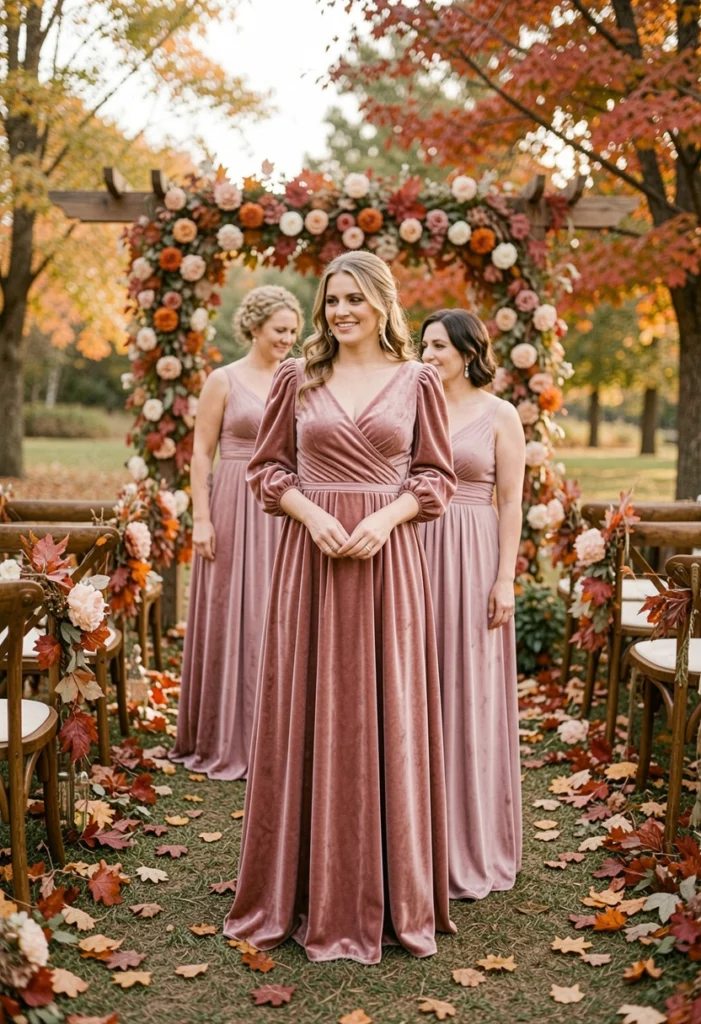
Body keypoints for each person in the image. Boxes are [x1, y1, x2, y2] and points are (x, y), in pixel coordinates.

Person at [224, 251, 457, 964]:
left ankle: (393, 890)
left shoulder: (418, 380)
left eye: (354, 298)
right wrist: (307, 513)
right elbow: (267, 469)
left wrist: (383, 521)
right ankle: (295, 888)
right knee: (306, 706)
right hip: (310, 563)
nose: (341, 311)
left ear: (382, 302)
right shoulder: (298, 377)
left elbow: (435, 477)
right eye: (331, 301)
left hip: (389, 567)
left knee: (389, 712)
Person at [171, 285, 303, 780]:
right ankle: (225, 734)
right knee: (232, 613)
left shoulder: (300, 379)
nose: (289, 339)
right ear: (254, 327)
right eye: (280, 331)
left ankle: (280, 736)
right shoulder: (223, 380)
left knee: (281, 610)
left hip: (287, 505)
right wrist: (201, 518)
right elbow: (202, 452)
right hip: (233, 501)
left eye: (294, 331)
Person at [420, 308, 525, 899]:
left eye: (439, 345)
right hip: (416, 552)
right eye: (424, 344)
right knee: (416, 683)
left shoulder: (499, 414)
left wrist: (504, 578)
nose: (428, 354)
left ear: (466, 351)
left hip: (475, 552)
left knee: (468, 688)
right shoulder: (414, 403)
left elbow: (510, 502)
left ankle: (470, 836)